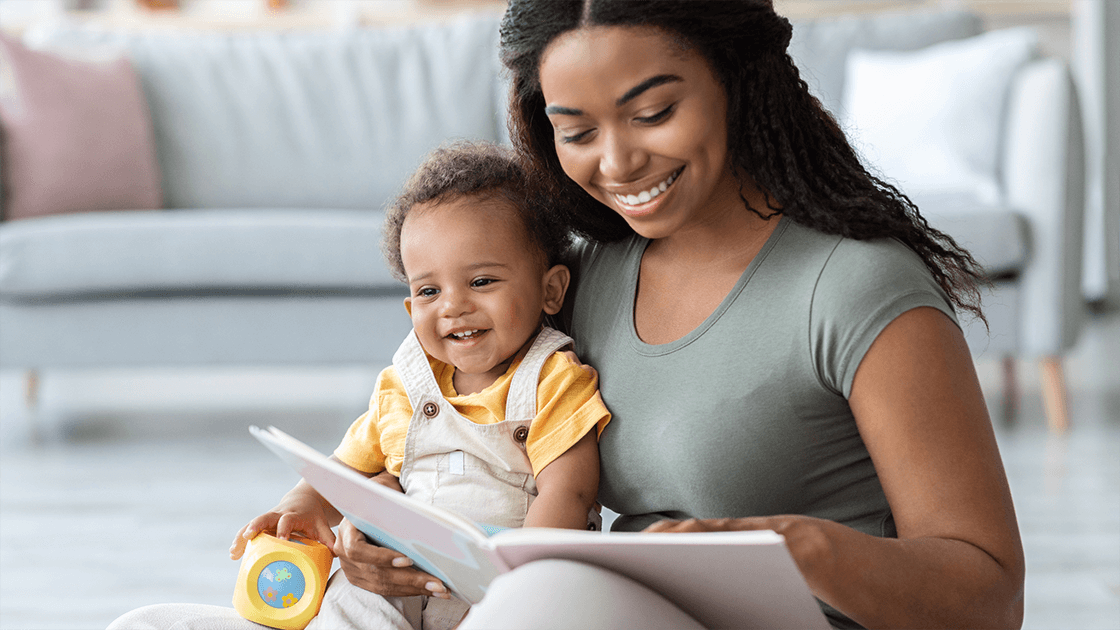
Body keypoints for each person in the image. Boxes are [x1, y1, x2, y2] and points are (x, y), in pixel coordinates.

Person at [340, 2, 1026, 629]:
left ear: (736, 80)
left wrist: (791, 548)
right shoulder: (583, 275)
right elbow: (463, 431)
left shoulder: (857, 287)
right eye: (576, 131)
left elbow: (990, 597)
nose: (618, 161)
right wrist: (385, 527)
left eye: (653, 113)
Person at [107, 141, 610, 630]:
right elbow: (344, 471)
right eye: (429, 291)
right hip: (396, 584)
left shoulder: (553, 380)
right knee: (345, 598)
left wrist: (509, 597)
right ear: (412, 310)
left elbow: (568, 494)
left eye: (481, 282)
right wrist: (297, 507)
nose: (453, 306)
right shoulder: (405, 387)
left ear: (550, 290)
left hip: (499, 590)